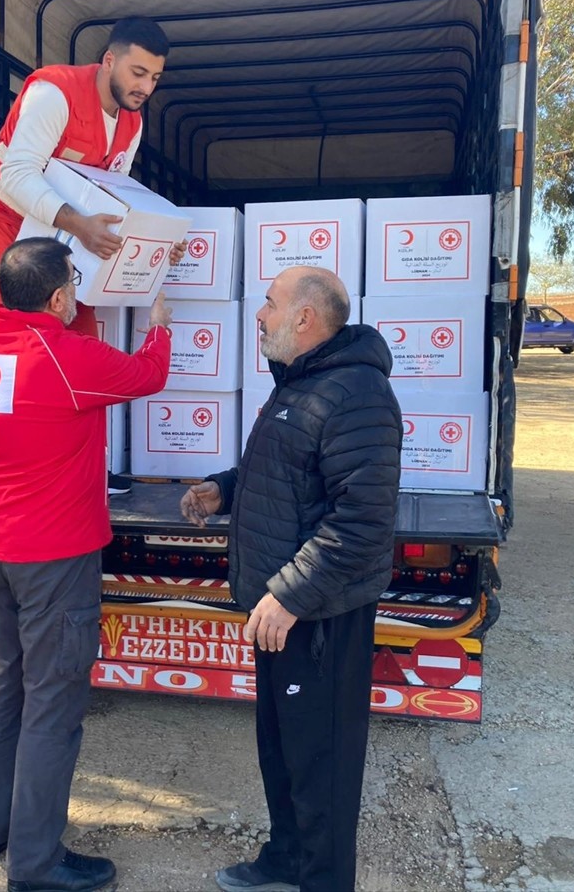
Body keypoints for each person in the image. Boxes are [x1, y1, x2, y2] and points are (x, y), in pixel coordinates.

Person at [0, 237, 173, 892]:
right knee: (52, 706)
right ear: (56, 298)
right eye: (72, 284)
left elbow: (34, 334)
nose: (76, 293)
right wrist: (158, 327)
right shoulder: (68, 357)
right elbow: (147, 376)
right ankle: (38, 864)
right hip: (54, 558)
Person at [179, 267, 402, 892]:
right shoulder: (299, 384)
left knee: (321, 763)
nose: (259, 316)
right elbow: (281, 473)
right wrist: (221, 490)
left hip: (317, 617)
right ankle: (285, 859)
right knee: (282, 750)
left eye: (270, 305)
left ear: (306, 318)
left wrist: (288, 594)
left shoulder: (355, 394)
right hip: (279, 611)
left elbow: (360, 520)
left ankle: (323, 880)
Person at [0, 16, 186, 337]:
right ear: (109, 60)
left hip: (60, 231)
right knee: (21, 334)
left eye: (154, 77)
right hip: (4, 217)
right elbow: (16, 174)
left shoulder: (132, 123)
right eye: (137, 74)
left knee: (80, 337)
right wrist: (80, 226)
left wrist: (159, 245)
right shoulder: (54, 93)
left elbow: (117, 201)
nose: (146, 88)